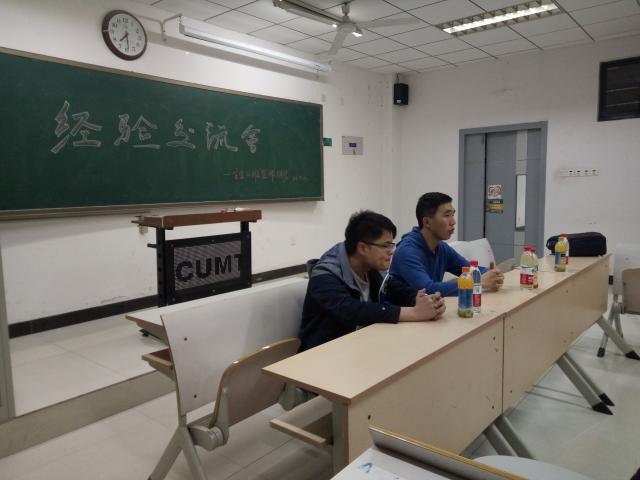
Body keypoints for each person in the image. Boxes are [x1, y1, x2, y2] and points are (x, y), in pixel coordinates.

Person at [299, 210, 445, 351]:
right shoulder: (325, 274)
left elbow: (394, 288)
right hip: (324, 354)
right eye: (385, 245)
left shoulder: (371, 267)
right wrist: (414, 313)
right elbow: (350, 310)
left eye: (392, 245)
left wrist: (423, 299)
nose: (391, 251)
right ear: (363, 248)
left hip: (362, 346)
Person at [387, 192, 504, 298]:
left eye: (453, 215)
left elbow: (468, 269)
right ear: (427, 222)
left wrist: (492, 274)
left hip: (430, 310)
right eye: (447, 215)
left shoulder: (441, 247)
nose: (453, 222)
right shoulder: (407, 252)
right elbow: (428, 290)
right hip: (404, 313)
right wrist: (478, 282)